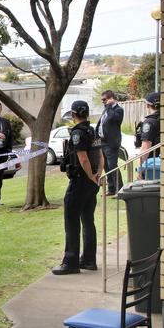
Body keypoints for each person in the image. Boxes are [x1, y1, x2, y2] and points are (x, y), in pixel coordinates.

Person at [52, 100, 104, 275]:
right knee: (88, 220)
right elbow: (101, 156)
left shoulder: (77, 134)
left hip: (80, 181)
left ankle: (71, 262)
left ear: (74, 115)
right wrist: (97, 176)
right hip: (92, 182)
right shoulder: (93, 131)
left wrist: (90, 176)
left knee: (71, 221)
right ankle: (89, 260)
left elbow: (83, 159)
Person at [95, 90, 124, 195]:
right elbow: (100, 124)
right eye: (102, 100)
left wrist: (109, 106)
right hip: (102, 143)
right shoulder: (106, 110)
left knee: (112, 166)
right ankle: (111, 189)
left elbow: (113, 118)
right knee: (106, 167)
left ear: (111, 98)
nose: (103, 102)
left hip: (111, 144)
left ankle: (119, 189)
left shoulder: (118, 110)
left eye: (104, 99)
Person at [137, 92, 160, 180]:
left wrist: (140, 169)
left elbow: (145, 148)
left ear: (147, 105)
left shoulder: (150, 122)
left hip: (152, 165)